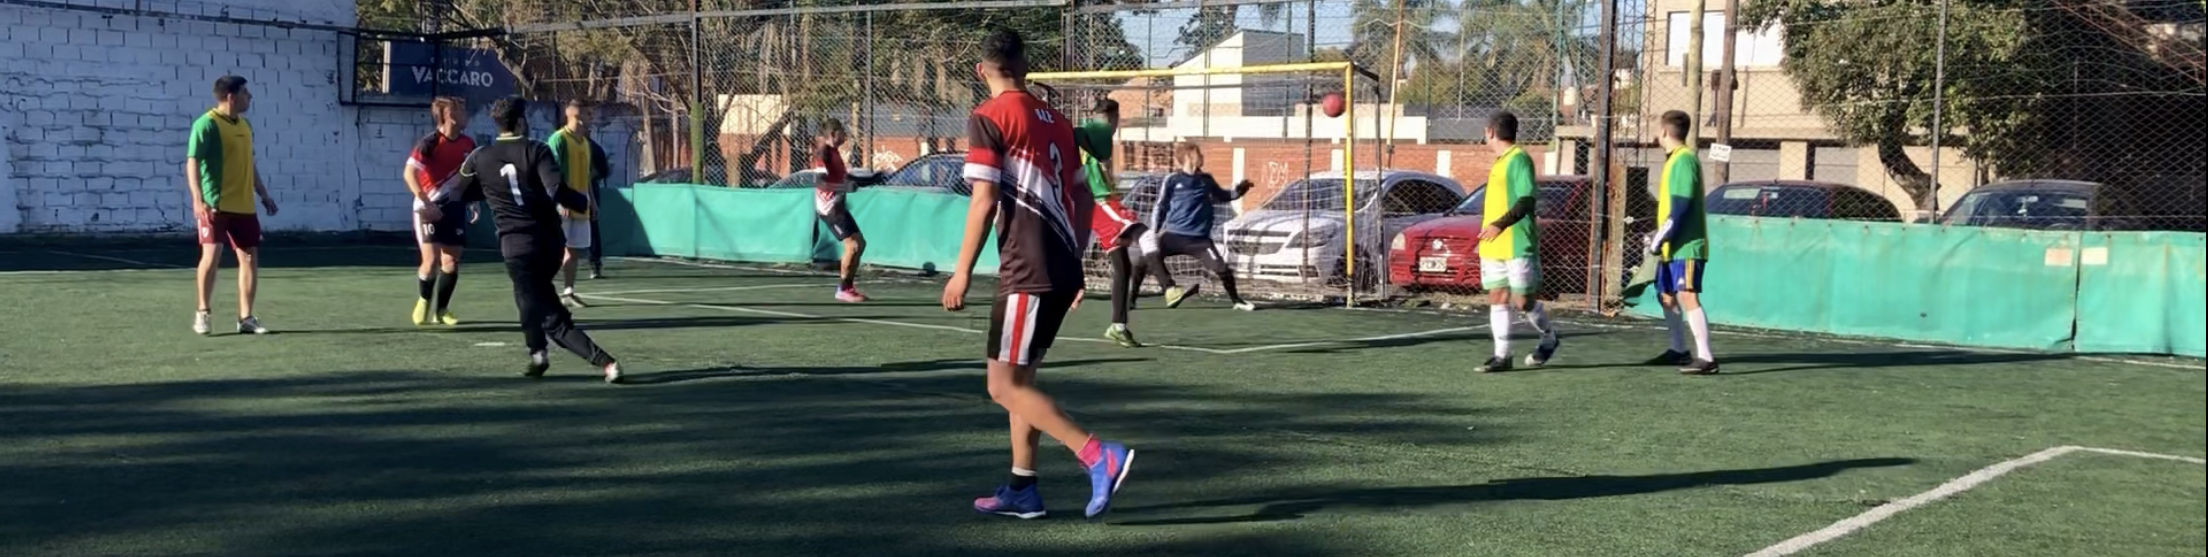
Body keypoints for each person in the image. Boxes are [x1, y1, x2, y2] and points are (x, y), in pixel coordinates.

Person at [947, 28, 1133, 520]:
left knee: (1002, 385)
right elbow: (1083, 193)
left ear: (980, 70)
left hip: (1026, 266)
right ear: (1026, 66)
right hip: (1060, 262)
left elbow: (984, 199)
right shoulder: (1058, 121)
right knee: (1022, 381)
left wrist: (961, 272)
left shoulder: (989, 116)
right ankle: (1022, 487)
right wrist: (1075, 259)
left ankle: (1097, 454)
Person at [422, 97, 625, 384]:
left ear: (498, 123)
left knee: (549, 314)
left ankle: (605, 362)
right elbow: (556, 189)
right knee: (526, 297)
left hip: (517, 248)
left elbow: (455, 191)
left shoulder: (479, 156)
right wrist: (582, 202)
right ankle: (538, 354)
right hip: (551, 243)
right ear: (520, 122)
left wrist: (432, 206)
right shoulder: (537, 149)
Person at [185, 75, 279, 336]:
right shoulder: (206, 124)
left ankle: (246, 318)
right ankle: (203, 312)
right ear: (231, 96)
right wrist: (197, 199)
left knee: (249, 258)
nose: (250, 97)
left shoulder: (245, 125)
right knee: (211, 255)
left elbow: (250, 164)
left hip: (244, 206)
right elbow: (192, 161)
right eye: (245, 93)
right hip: (215, 205)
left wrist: (264, 195)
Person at [1472, 111, 1561, 373]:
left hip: (1517, 242)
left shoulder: (1519, 158)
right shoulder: (1499, 162)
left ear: (1490, 131)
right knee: (1497, 296)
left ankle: (1549, 337)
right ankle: (1502, 356)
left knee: (1522, 302)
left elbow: (1526, 201)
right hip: (1493, 245)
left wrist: (1499, 225)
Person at [1072, 98, 1151, 347]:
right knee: (1140, 231)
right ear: (1112, 119)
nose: (1115, 126)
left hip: (1096, 203)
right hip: (1098, 203)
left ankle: (1118, 327)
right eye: (1115, 121)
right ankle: (1170, 286)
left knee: (1122, 266)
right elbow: (1081, 168)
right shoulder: (1091, 135)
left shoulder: (1093, 137)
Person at [1648, 110, 1719, 375]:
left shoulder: (1684, 160)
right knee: (1666, 295)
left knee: (1688, 295)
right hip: (1671, 246)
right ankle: (1679, 349)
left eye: (1658, 129)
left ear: (1665, 131)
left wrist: (1659, 238)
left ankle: (1706, 358)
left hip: (1686, 245)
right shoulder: (1674, 160)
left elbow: (1680, 207)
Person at [1144, 143, 1254, 311]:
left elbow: (1223, 196)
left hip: (1200, 241)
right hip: (1173, 236)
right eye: (1199, 154)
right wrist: (1154, 231)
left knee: (1222, 269)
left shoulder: (1206, 180)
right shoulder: (1172, 180)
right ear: (1189, 157)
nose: (1202, 157)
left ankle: (1237, 301)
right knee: (1146, 257)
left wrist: (1239, 192)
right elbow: (1161, 205)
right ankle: (1147, 294)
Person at [404, 96, 477, 326]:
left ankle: (441, 310)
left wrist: (472, 201)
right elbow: (409, 173)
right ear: (449, 115)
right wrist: (426, 202)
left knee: (451, 262)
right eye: (462, 110)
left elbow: (469, 176)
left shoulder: (469, 144)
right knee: (431, 261)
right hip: (428, 207)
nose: (466, 115)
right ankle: (424, 300)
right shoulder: (429, 143)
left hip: (455, 207)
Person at [545, 100, 597, 308]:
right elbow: (550, 174)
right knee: (554, 250)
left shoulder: (585, 142)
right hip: (563, 204)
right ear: (576, 115)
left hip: (581, 203)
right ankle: (542, 291)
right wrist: (559, 203)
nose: (592, 118)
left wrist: (592, 201)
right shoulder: (558, 139)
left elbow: (586, 175)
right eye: (589, 114)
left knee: (574, 250)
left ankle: (568, 292)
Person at [814, 118, 869, 302]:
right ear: (833, 134)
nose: (845, 135)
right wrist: (844, 187)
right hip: (829, 208)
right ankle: (843, 289)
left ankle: (847, 286)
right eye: (842, 132)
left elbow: (845, 178)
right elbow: (820, 183)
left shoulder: (835, 153)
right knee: (852, 246)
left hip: (838, 205)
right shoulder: (823, 153)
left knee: (860, 244)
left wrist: (872, 179)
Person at [587, 138, 610, 279]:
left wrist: (589, 175)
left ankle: (595, 264)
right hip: (568, 189)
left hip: (590, 190)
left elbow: (603, 171)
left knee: (592, 226)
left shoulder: (593, 148)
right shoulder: (563, 141)